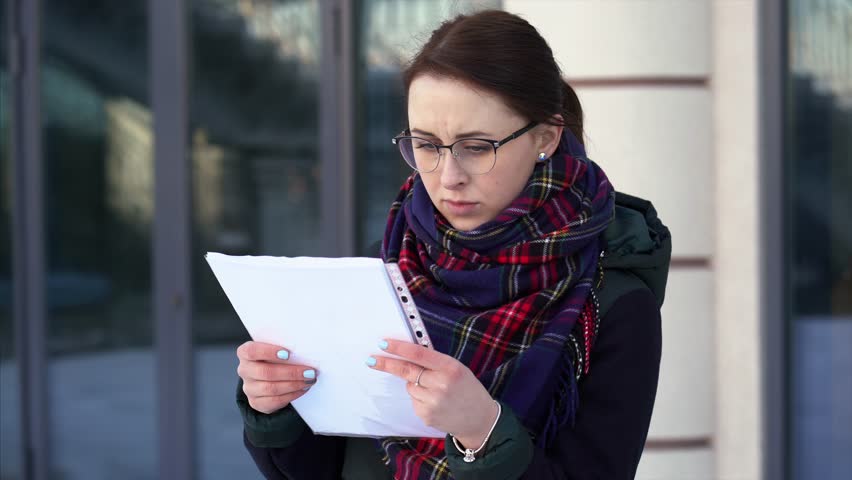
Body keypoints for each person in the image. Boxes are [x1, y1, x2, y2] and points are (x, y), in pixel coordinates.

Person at [234, 10, 671, 480]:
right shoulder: (385, 265)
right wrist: (275, 410)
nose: (448, 177)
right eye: (425, 145)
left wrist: (484, 431)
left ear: (545, 137)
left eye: (477, 146)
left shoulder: (613, 304)